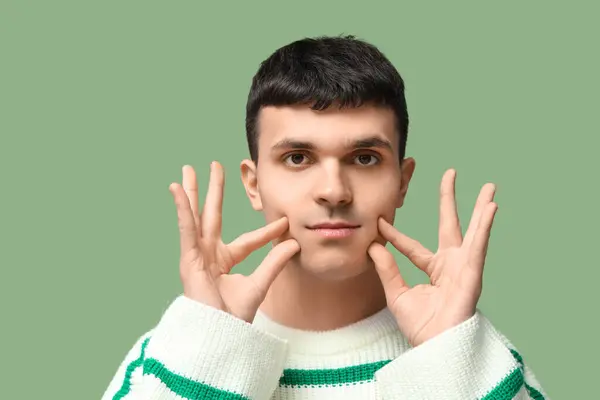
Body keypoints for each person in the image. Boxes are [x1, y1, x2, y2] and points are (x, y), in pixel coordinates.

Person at [102, 35, 548, 400]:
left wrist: (451, 359)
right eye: (298, 157)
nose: (333, 191)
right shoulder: (166, 362)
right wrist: (210, 351)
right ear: (253, 184)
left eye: (365, 158)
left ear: (403, 182)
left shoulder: (480, 364)